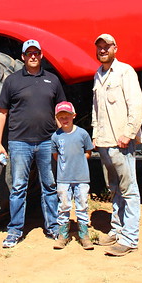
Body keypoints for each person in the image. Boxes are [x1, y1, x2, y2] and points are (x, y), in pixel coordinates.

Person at [0, 39, 66, 248]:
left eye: (36, 53)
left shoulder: (53, 80)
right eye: (29, 53)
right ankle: (15, 230)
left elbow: (61, 111)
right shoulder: (12, 81)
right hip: (19, 143)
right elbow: (1, 112)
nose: (33, 56)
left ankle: (52, 228)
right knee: (18, 188)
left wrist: (64, 139)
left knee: (49, 187)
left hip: (46, 142)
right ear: (23, 56)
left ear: (41, 55)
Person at [92, 33, 142, 256]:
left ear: (115, 48)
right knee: (114, 189)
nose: (103, 50)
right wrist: (95, 133)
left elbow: (137, 105)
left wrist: (128, 133)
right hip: (104, 142)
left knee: (129, 190)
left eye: (107, 46)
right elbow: (96, 108)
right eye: (100, 47)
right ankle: (117, 229)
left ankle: (130, 238)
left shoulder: (125, 72)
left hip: (121, 142)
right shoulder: (97, 75)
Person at [51, 101, 94, 250]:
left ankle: (84, 235)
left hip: (81, 177)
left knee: (82, 204)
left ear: (73, 116)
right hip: (63, 178)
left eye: (67, 116)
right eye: (61, 116)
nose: (64, 119)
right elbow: (56, 155)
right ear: (57, 118)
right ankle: (63, 235)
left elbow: (88, 152)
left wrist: (79, 163)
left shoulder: (82, 133)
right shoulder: (56, 136)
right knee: (63, 205)